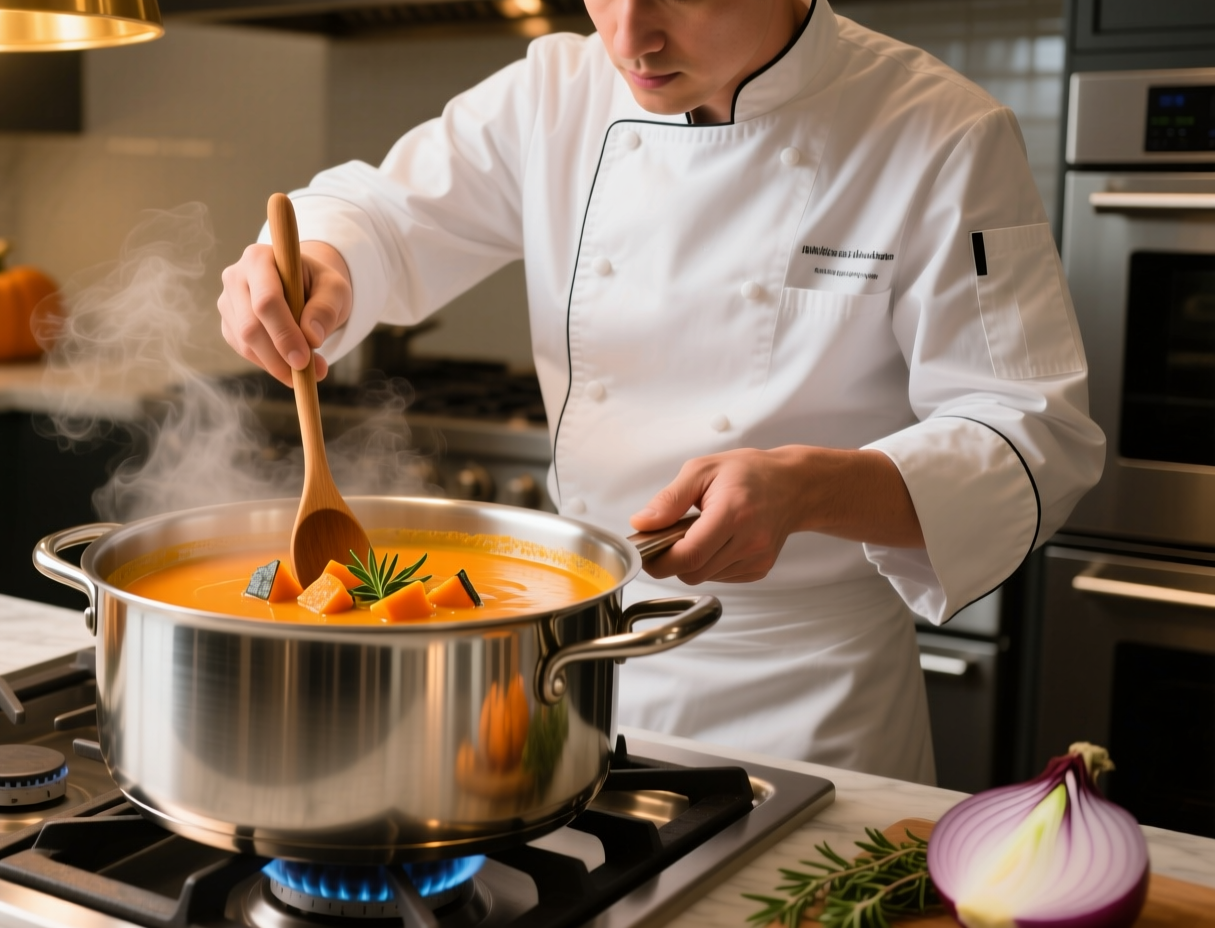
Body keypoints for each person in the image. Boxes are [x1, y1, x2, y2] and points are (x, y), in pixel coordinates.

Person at [215, 0, 1104, 782]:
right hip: (569, 675)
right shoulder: (554, 92)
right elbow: (382, 214)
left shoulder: (940, 132)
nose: (629, 36)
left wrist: (808, 490)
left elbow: (1031, 433)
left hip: (806, 704)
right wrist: (324, 264)